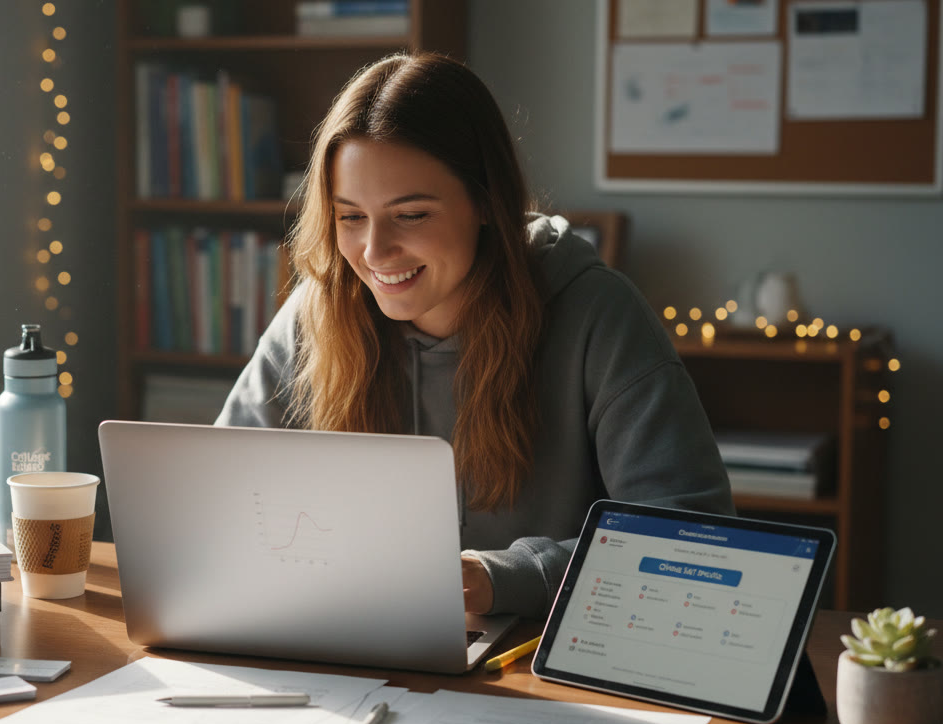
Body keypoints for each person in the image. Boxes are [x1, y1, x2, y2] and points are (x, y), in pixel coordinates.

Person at [215, 51, 734, 619]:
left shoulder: (597, 314)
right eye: (350, 217)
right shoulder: (319, 310)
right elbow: (220, 503)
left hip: (539, 666)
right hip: (351, 648)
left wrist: (500, 578)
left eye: (411, 215)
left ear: (488, 201)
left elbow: (690, 535)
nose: (374, 252)